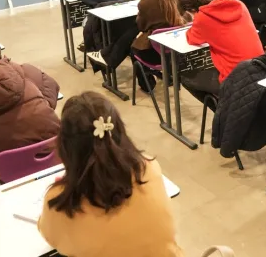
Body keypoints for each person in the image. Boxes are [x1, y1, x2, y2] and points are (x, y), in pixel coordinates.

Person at [38, 92, 183, 257]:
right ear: (120, 131)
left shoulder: (59, 202)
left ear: (65, 146)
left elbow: (49, 235)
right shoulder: (148, 167)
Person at [88, 0, 182, 90]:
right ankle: (107, 56)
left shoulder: (146, 3)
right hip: (177, 49)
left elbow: (141, 27)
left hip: (155, 53)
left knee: (132, 44)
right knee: (132, 33)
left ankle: (146, 84)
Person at [178, 0, 264, 103]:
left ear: (192, 9)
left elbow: (191, 38)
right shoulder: (238, 4)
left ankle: (222, 108)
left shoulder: (203, 18)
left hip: (234, 78)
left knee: (186, 79)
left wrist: (196, 20)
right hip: (260, 68)